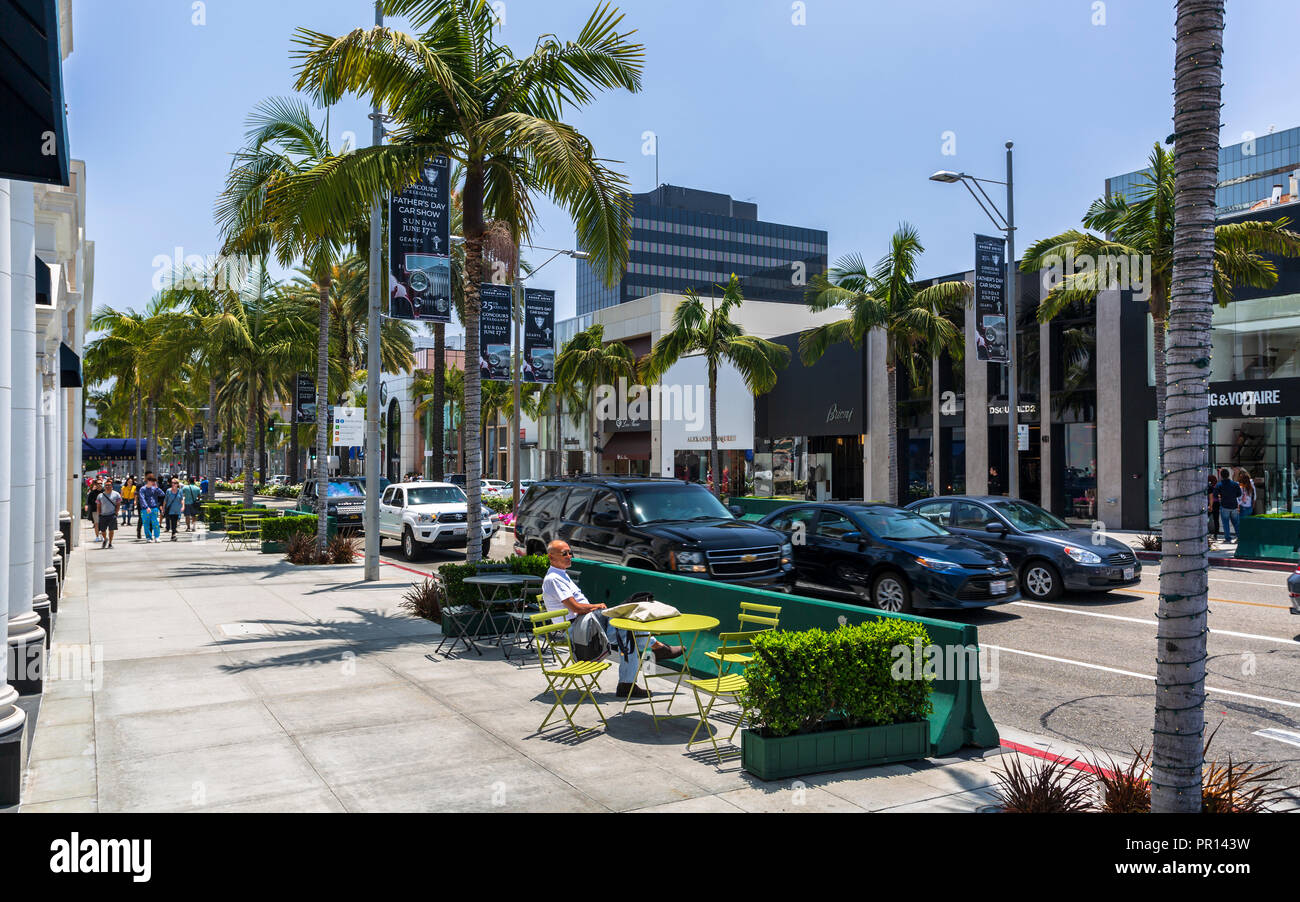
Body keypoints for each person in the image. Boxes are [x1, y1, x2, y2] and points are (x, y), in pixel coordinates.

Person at [541, 540, 682, 699]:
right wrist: (597, 606)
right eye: (564, 554)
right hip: (576, 630)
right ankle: (656, 651)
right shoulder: (553, 578)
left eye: (570, 552)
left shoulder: (561, 575)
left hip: (586, 624)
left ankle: (630, 681)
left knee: (628, 632)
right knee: (627, 625)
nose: (569, 556)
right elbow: (576, 608)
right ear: (551, 557)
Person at [1214, 467, 1241, 543]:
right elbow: (1239, 494)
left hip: (1224, 505)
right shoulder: (1235, 484)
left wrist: (1220, 497)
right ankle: (1239, 537)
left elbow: (1215, 495)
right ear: (1229, 475)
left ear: (1221, 476)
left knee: (1225, 523)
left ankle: (1228, 538)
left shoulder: (1219, 485)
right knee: (1236, 523)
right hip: (1234, 505)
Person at [96, 478, 123, 549]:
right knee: (102, 530)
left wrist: (116, 512)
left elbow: (118, 504)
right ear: (104, 487)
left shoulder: (116, 494)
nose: (107, 487)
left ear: (112, 486)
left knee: (111, 530)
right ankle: (105, 539)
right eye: (106, 485)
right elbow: (98, 505)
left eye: (109, 485)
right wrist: (99, 513)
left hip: (112, 515)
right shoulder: (100, 495)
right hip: (103, 515)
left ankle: (110, 543)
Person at [138, 475, 165, 543]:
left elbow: (162, 494)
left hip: (154, 507)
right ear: (148, 481)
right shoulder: (143, 489)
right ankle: (148, 537)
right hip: (145, 509)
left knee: (155, 523)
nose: (153, 483)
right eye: (152, 481)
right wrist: (146, 507)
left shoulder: (154, 488)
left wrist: (157, 488)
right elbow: (142, 498)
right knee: (146, 524)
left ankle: (157, 537)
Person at [86, 478, 104, 543]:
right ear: (96, 484)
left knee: (103, 524)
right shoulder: (92, 493)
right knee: (96, 524)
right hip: (95, 510)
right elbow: (90, 502)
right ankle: (97, 537)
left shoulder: (104, 492)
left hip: (104, 510)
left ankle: (102, 535)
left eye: (101, 483)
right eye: (98, 483)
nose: (100, 484)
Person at [1207, 472, 1220, 540]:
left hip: (1209, 504)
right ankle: (1215, 534)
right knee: (1216, 519)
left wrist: (1210, 505)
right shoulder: (1217, 486)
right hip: (1216, 503)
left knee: (1205, 518)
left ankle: (1206, 532)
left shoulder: (1208, 486)